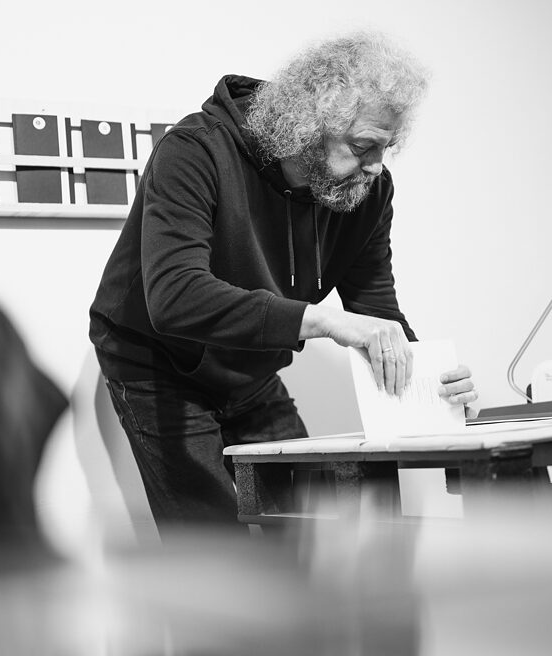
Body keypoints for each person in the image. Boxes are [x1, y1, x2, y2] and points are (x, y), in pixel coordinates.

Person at [89, 32, 476, 534]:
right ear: (310, 124)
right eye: (364, 146)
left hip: (247, 368)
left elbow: (376, 307)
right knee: (214, 551)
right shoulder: (194, 152)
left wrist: (432, 382)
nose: (378, 166)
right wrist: (322, 320)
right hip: (156, 362)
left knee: (305, 526)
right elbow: (175, 296)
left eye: (387, 147)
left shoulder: (367, 191)